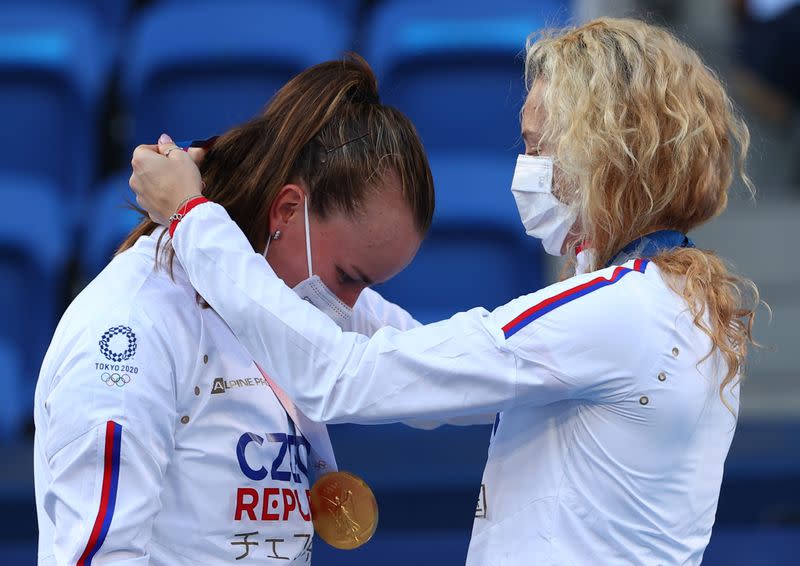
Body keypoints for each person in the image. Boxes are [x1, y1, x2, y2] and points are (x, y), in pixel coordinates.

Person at [130, 18, 762, 565]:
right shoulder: (668, 307)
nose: (527, 167)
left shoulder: (616, 312)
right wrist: (325, 290)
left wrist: (193, 217)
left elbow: (341, 378)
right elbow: (431, 374)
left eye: (539, 148)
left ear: (607, 155)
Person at [34, 55, 435, 565]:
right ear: (288, 212)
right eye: (350, 278)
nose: (351, 309)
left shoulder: (293, 296)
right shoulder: (134, 324)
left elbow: (441, 368)